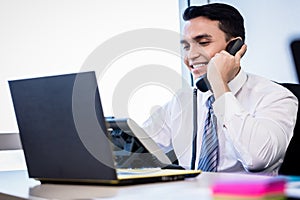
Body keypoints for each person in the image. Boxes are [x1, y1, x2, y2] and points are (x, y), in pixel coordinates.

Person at [142, 3, 298, 175]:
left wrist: (220, 87)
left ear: (234, 47)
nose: (191, 56)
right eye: (186, 47)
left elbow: (257, 159)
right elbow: (137, 152)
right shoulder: (183, 101)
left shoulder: (276, 97)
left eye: (203, 43)